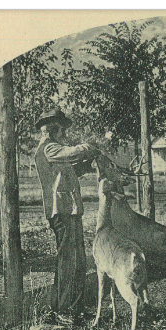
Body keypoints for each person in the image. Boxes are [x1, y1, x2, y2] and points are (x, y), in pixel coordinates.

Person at [34, 108, 101, 315]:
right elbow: (72, 152)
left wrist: (85, 165)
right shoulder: (49, 149)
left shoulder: (55, 152)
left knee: (77, 261)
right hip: (61, 212)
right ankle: (64, 310)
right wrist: (90, 148)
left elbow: (67, 172)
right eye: (63, 130)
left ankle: (74, 308)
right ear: (53, 130)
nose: (65, 134)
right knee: (68, 263)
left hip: (69, 211)